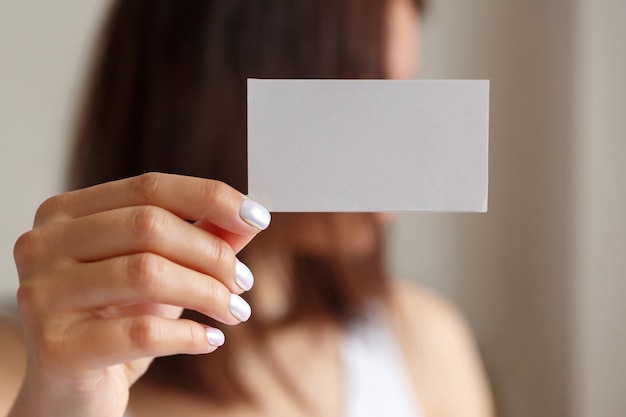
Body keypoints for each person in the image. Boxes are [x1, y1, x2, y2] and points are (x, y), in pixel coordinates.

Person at [1, 0, 495, 416]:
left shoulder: (427, 345)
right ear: (216, 100)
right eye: (363, 122)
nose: (392, 204)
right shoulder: (27, 372)